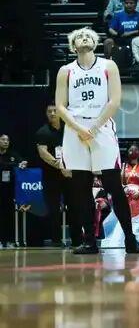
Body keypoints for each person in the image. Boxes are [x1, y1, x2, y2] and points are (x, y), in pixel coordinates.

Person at [54, 28, 139, 253]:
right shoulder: (65, 71)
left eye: (88, 36)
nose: (84, 38)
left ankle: (130, 238)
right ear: (73, 46)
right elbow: (60, 106)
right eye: (79, 37)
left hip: (101, 127)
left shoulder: (108, 66)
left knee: (113, 186)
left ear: (94, 43)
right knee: (81, 189)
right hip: (75, 129)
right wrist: (78, 128)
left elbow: (114, 101)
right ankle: (89, 242)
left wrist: (93, 128)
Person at [35, 104, 73, 246]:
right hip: (51, 177)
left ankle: (77, 239)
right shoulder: (43, 132)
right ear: (46, 113)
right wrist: (60, 166)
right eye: (49, 111)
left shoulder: (69, 129)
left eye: (55, 111)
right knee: (54, 209)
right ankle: (56, 241)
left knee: (74, 207)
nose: (52, 113)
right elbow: (43, 153)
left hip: (69, 175)